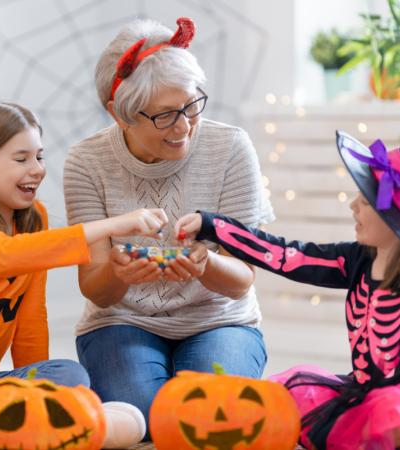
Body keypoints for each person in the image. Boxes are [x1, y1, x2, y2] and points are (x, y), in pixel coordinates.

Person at [63, 16, 274, 437]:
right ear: (119, 114)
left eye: (191, 105)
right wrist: (119, 274)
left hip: (220, 320)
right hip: (121, 322)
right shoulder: (86, 163)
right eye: (164, 116)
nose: (183, 127)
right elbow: (95, 288)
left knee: (208, 423)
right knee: (141, 419)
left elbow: (242, 280)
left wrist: (205, 266)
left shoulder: (231, 147)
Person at [175, 131, 400, 450]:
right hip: (358, 397)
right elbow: (285, 255)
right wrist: (213, 226)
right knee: (289, 390)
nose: (353, 206)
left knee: (395, 407)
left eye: (366, 201)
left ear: (394, 217)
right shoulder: (354, 260)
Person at [0, 101, 167, 389]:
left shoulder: (34, 220)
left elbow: (30, 319)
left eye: (39, 156)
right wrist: (112, 225)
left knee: (66, 375)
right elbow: (2, 255)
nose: (37, 170)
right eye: (21, 159)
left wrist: (39, 391)